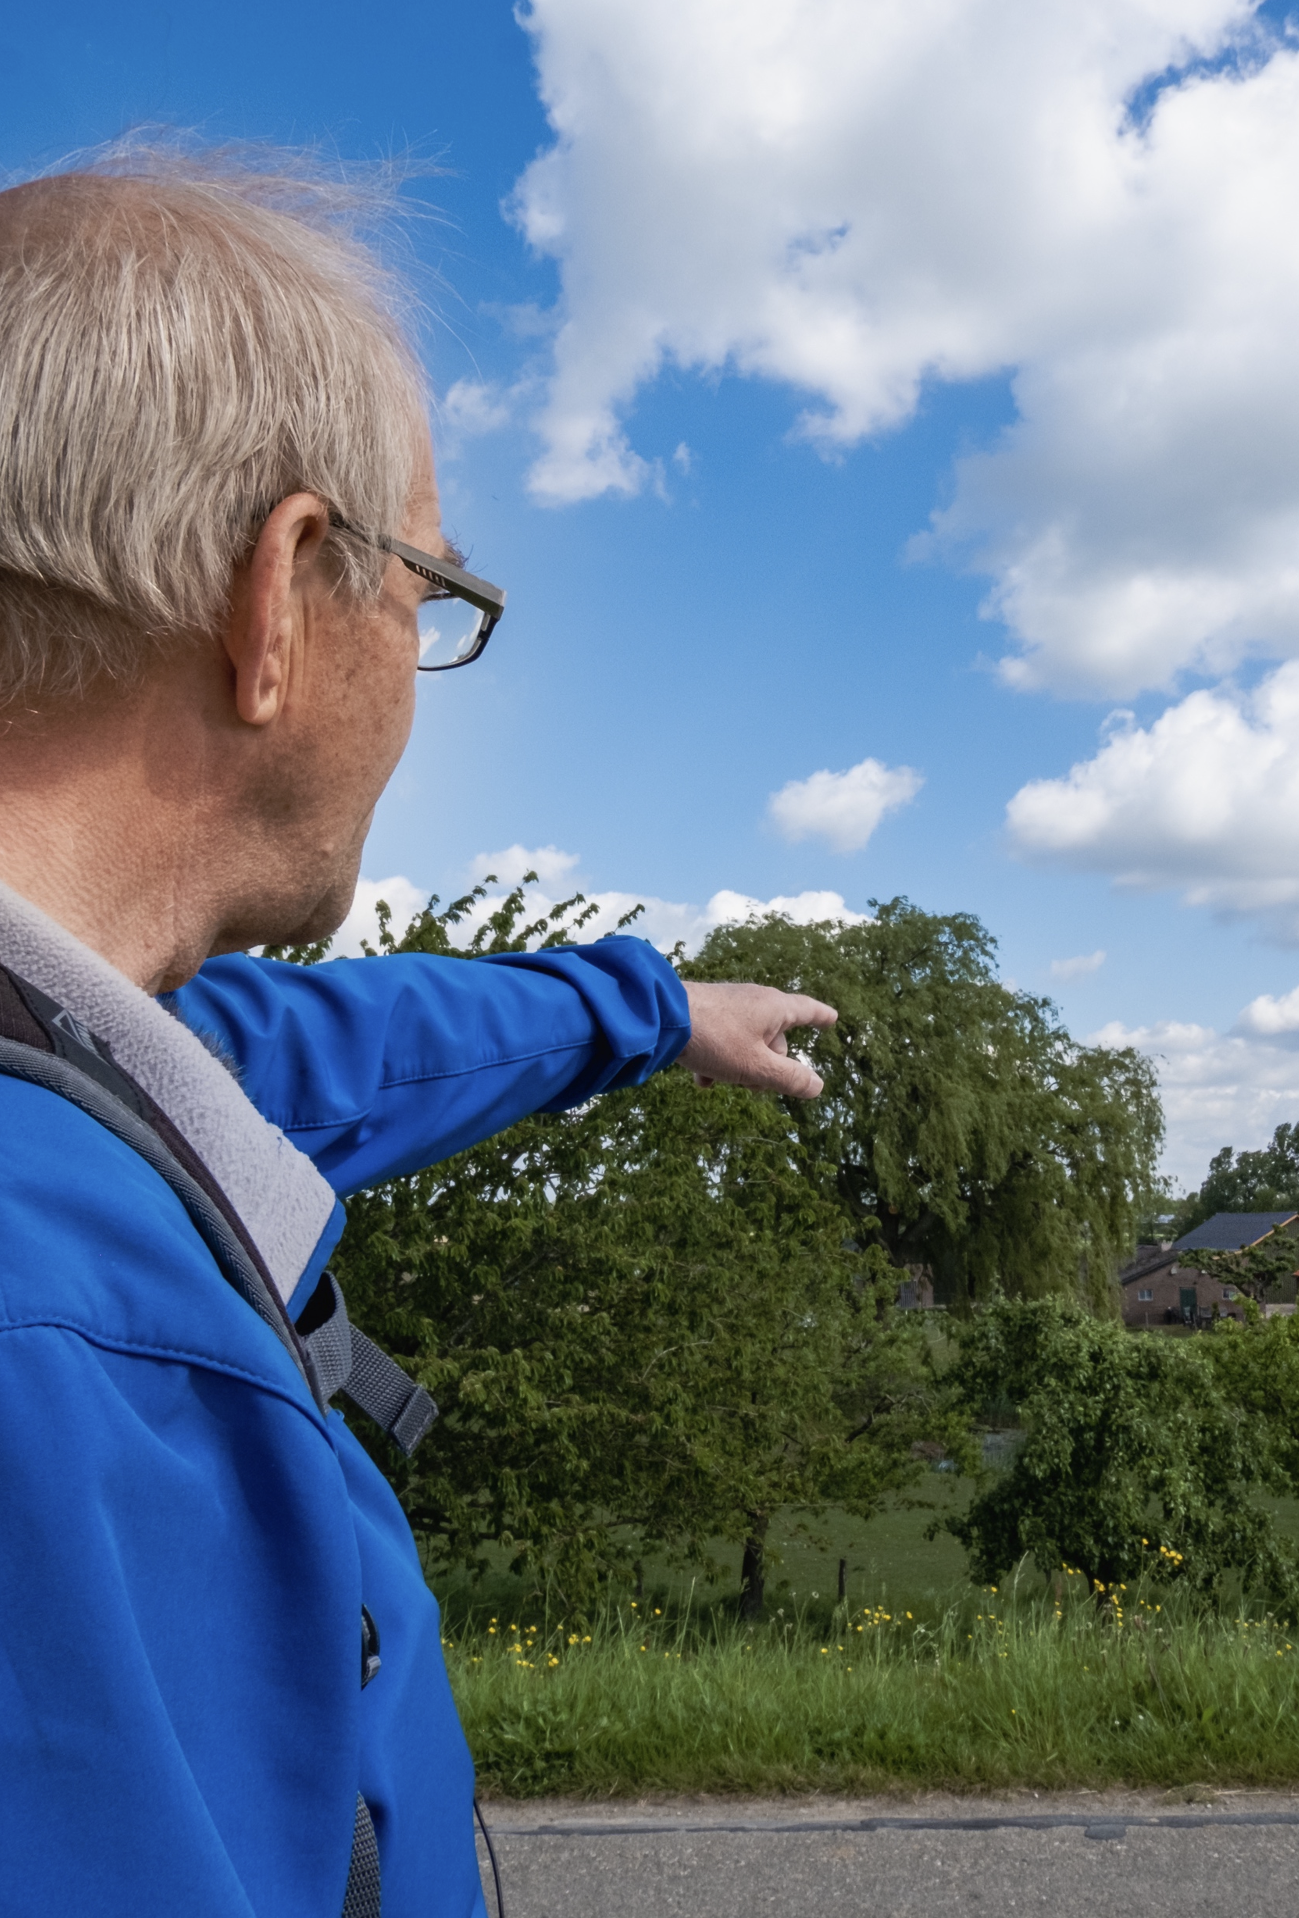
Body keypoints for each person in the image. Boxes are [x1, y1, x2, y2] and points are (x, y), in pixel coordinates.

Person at [0, 147, 834, 1916]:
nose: (426, 667)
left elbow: (322, 1051)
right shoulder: (65, 1345)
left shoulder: (82, 1062)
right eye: (430, 596)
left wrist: (652, 1012)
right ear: (280, 595)